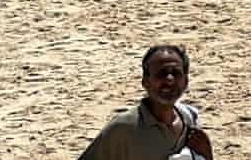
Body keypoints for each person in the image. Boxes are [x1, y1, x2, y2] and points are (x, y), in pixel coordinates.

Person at [79, 45, 214, 160]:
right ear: (146, 82)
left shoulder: (190, 120)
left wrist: (207, 156)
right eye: (161, 73)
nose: (169, 80)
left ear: (185, 81)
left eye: (176, 73)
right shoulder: (124, 127)